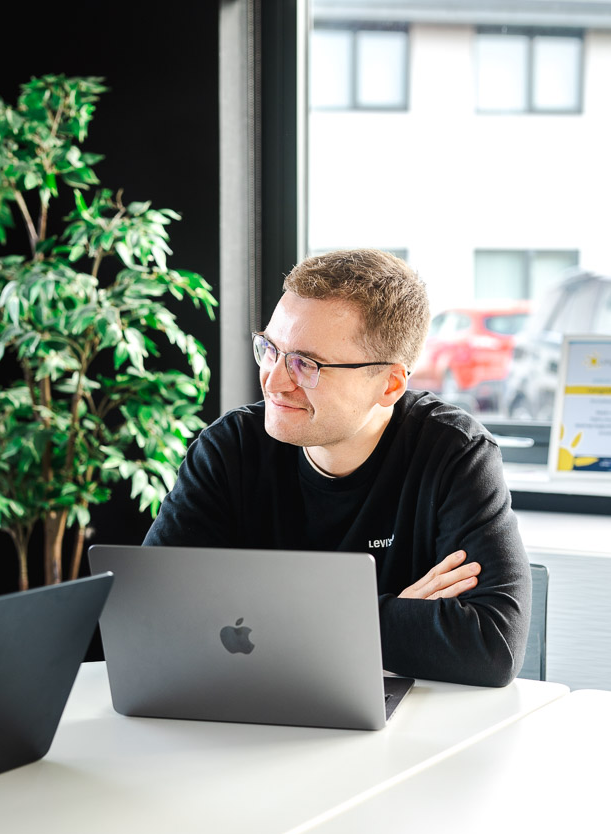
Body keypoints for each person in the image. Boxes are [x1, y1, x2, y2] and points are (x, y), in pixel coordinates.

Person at [144, 249, 531, 687]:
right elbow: (155, 610)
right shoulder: (229, 449)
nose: (273, 380)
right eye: (270, 349)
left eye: (306, 364)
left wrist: (265, 614)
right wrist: (379, 616)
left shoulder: (454, 454)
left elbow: (492, 645)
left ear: (389, 384)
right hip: (245, 706)